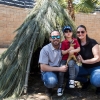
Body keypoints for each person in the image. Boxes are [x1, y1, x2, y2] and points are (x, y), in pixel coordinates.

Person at [39, 31, 68, 96]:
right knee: (51, 81)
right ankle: (49, 88)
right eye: (53, 37)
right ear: (50, 39)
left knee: (76, 70)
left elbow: (72, 51)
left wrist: (78, 56)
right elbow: (43, 67)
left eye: (57, 37)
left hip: (61, 70)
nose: (55, 38)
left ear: (60, 38)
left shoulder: (64, 47)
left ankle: (69, 87)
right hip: (49, 71)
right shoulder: (45, 49)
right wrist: (59, 69)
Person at [76, 25, 100, 95]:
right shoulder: (77, 43)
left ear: (86, 32)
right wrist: (78, 58)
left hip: (96, 68)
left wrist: (83, 61)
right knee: (69, 72)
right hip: (84, 68)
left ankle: (98, 86)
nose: (80, 34)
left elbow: (97, 58)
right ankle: (86, 81)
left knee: (97, 81)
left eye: (82, 32)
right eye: (78, 32)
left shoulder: (92, 42)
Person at [57, 26, 80, 96]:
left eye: (69, 31)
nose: (68, 33)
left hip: (72, 58)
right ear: (64, 34)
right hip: (64, 59)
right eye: (66, 32)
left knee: (71, 64)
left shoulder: (75, 40)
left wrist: (73, 50)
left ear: (72, 33)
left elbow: (78, 49)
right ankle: (60, 87)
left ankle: (72, 80)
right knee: (61, 70)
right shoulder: (63, 42)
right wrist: (68, 50)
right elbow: (63, 52)